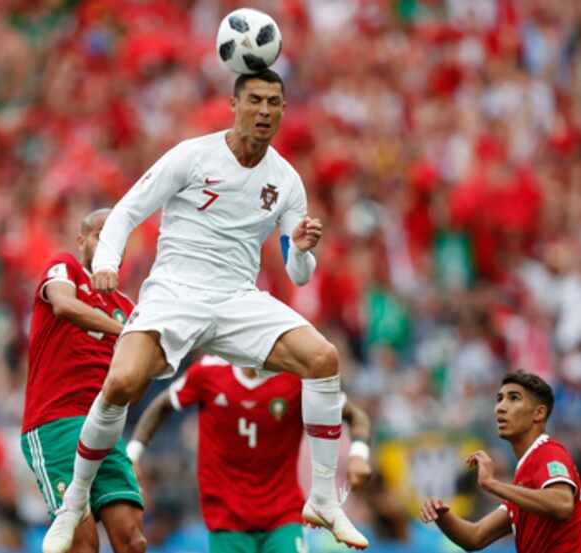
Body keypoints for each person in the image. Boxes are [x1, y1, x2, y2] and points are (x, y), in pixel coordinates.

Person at [43, 69, 368, 552]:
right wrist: (107, 264)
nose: (264, 111)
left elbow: (299, 274)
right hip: (174, 292)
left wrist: (299, 249)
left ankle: (323, 498)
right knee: (121, 384)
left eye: (273, 102)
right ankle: (74, 505)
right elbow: (129, 210)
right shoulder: (193, 155)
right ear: (233, 105)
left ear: (282, 110)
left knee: (323, 359)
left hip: (237, 297)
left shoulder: (285, 180)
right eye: (254, 100)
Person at [126, 354, 373, 553]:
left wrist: (359, 453)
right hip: (227, 520)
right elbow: (162, 405)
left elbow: (355, 415)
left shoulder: (296, 379)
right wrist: (134, 454)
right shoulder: (208, 373)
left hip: (282, 516)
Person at [22, 209, 146, 553]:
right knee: (82, 545)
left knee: (133, 540)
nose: (108, 243)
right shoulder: (65, 268)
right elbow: (63, 306)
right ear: (82, 241)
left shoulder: (128, 306)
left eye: (116, 237)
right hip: (55, 422)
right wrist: (126, 331)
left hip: (104, 427)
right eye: (99, 234)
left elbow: (135, 387)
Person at [420, 371, 581, 552]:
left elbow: (562, 504)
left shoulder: (548, 451)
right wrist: (442, 517)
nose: (500, 407)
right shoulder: (522, 485)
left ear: (539, 413)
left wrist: (491, 483)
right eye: (499, 399)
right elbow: (476, 536)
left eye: (514, 398)